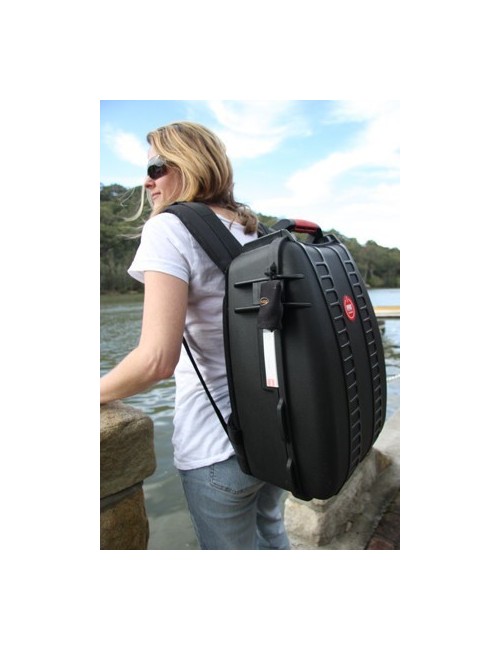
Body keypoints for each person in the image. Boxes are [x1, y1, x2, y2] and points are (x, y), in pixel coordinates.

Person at [100, 121, 290, 550]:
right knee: (271, 533)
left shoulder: (169, 228)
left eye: (156, 168)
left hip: (217, 445)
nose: (147, 181)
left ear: (188, 165)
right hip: (277, 432)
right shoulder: (254, 229)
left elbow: (155, 361)